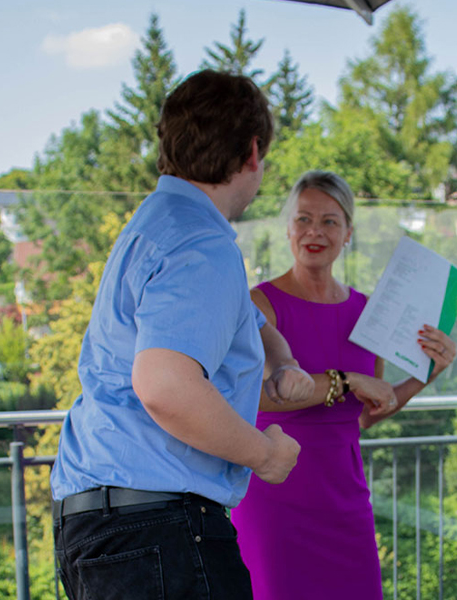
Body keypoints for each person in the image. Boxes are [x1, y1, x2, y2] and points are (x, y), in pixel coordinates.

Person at [50, 70, 315, 600]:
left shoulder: (157, 224)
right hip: (157, 528)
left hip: (106, 523)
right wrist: (263, 454)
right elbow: (166, 385)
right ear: (252, 153)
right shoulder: (203, 245)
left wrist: (282, 359)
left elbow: (247, 320)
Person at [231, 170, 457, 600]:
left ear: (348, 232)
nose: (315, 231)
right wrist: (346, 381)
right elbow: (251, 396)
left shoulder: (367, 310)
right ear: (288, 229)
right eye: (303, 219)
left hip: (345, 499)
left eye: (329, 221)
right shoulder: (260, 304)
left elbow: (368, 413)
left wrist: (428, 373)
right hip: (274, 498)